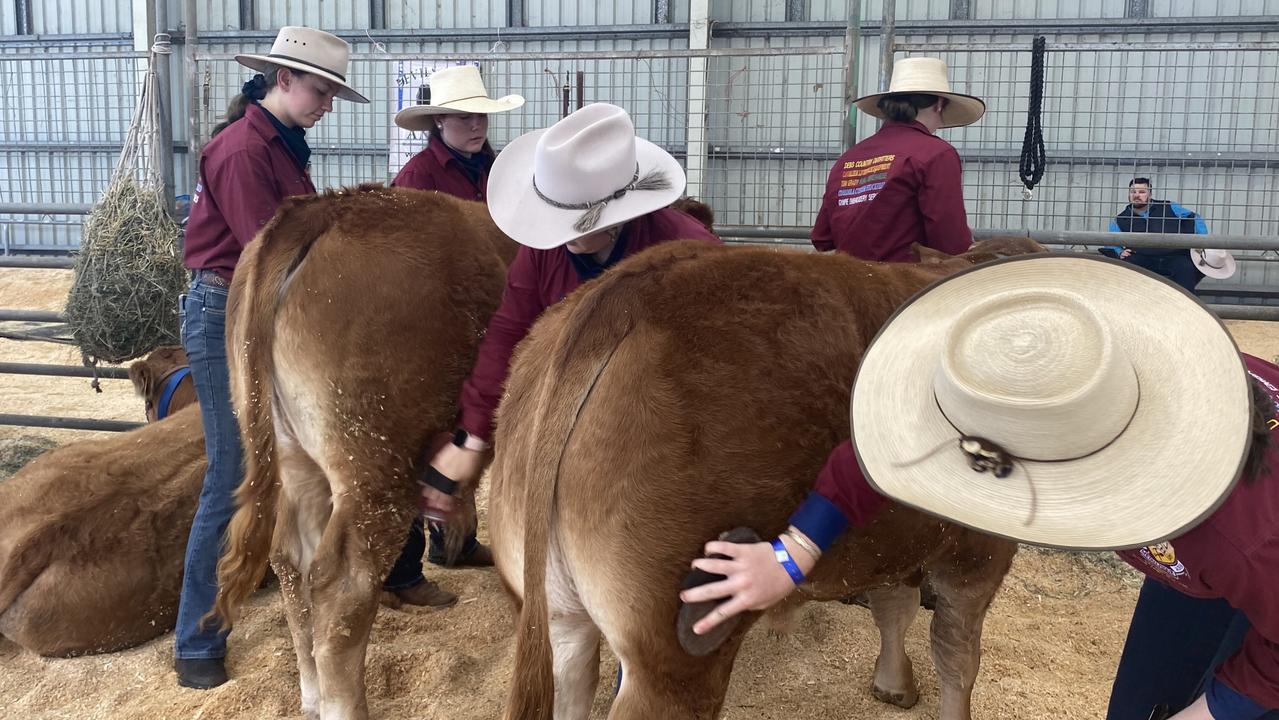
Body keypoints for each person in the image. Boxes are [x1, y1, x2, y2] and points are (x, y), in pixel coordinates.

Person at [680, 254, 1278, 720]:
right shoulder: (1098, 380)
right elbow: (897, 446)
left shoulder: (1240, 538)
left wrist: (1214, 709)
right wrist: (793, 552)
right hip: (1194, 550)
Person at [175, 26, 367, 690]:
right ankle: (197, 641)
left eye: (332, 93)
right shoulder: (242, 152)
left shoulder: (278, 144)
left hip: (263, 312)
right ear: (283, 80)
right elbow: (270, 252)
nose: (328, 104)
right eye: (321, 90)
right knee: (234, 471)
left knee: (271, 465)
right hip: (229, 308)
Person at [417, 102, 720, 522]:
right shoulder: (543, 252)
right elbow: (508, 331)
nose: (562, 235)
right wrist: (472, 438)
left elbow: (714, 366)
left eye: (574, 220)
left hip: (662, 417)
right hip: (581, 404)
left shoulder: (688, 255)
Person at [378, 64, 526, 609]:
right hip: (434, 325)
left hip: (491, 317)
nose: (475, 125)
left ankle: (457, 543)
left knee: (469, 427)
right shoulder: (417, 178)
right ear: (438, 120)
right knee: (426, 434)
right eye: (463, 116)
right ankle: (402, 569)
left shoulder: (500, 168)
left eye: (480, 116)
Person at [810, 57, 983, 261]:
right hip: (906, 285)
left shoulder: (848, 159)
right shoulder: (936, 154)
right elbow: (950, 242)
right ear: (939, 104)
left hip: (849, 283)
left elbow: (822, 238)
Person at [1104, 177, 1233, 292]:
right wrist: (1119, 251)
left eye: (1142, 192)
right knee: (1127, 267)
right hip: (1142, 257)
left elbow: (1194, 218)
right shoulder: (1120, 219)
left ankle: (1185, 307)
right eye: (1133, 192)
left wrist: (1201, 241)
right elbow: (1111, 240)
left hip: (1174, 256)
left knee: (1186, 268)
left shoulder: (1169, 207)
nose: (1137, 195)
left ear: (1150, 194)